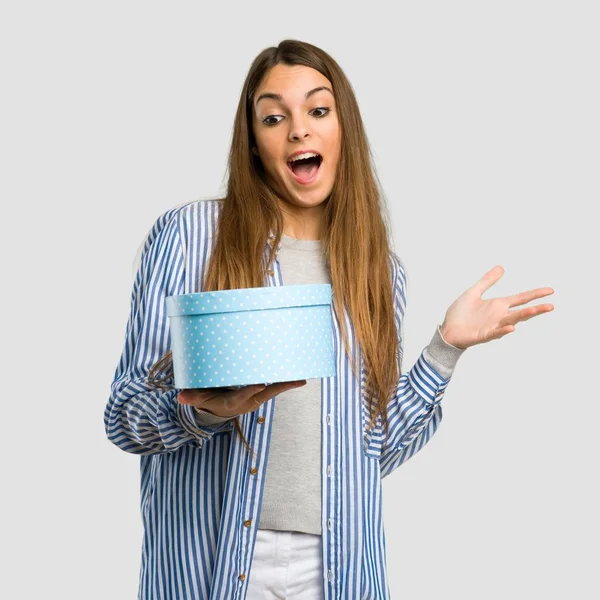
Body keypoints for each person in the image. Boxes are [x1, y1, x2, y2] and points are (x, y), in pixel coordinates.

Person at [105, 39, 554, 600]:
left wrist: (446, 348)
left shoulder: (379, 274)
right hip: (213, 563)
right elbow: (124, 419)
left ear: (345, 131)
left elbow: (373, 454)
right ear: (254, 143)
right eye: (274, 117)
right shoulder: (194, 235)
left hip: (339, 568)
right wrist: (206, 411)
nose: (299, 130)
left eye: (318, 110)